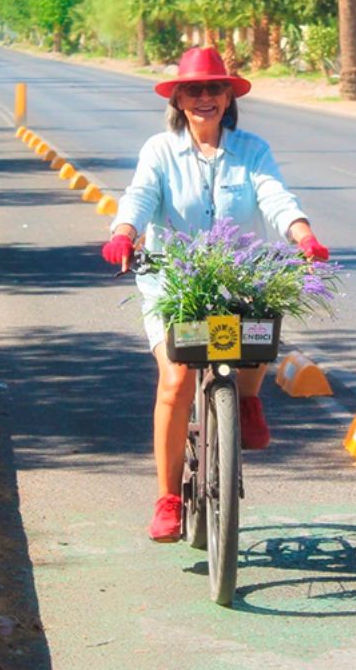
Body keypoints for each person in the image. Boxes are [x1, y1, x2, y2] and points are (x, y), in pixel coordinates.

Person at [100, 47, 330, 542]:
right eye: (194, 90)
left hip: (237, 277)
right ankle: (167, 497)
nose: (205, 98)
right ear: (179, 99)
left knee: (259, 328)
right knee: (177, 380)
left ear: (229, 97)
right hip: (173, 281)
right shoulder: (159, 151)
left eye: (214, 89)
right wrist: (124, 231)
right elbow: (139, 196)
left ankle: (246, 400)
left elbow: (275, 196)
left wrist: (303, 236)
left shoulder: (252, 149)